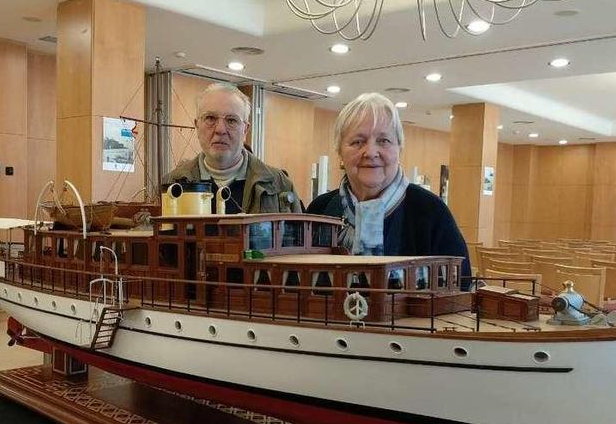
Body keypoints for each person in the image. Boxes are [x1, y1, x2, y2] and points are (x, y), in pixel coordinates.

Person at [307, 92, 471, 287]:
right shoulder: (320, 210)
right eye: (357, 142)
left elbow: (461, 286)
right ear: (340, 151)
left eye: (383, 140)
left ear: (399, 149)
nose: (371, 152)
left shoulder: (431, 211)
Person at [163, 83, 302, 214]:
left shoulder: (280, 185)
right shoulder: (171, 183)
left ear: (245, 130)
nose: (220, 130)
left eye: (231, 120)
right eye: (210, 118)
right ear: (197, 126)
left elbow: (300, 238)